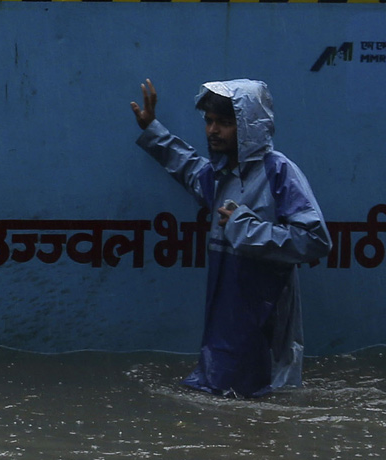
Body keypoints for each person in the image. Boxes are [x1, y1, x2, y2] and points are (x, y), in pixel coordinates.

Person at [130, 78, 331, 398]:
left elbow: (316, 239)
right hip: (224, 314)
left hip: (264, 308)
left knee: (262, 395)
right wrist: (153, 129)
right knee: (219, 396)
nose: (213, 130)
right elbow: (188, 168)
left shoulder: (278, 171)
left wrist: (246, 227)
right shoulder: (220, 173)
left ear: (250, 127)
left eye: (225, 123)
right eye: (210, 121)